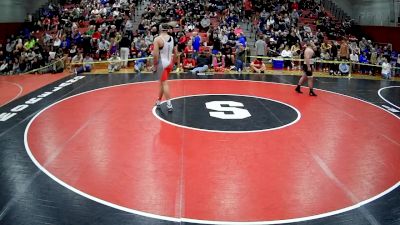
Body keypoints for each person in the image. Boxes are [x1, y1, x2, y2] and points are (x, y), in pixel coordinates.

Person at [153, 23, 178, 112]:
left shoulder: (157, 39)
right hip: (169, 63)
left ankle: (169, 104)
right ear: (167, 30)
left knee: (164, 83)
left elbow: (155, 55)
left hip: (162, 64)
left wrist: (155, 65)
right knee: (162, 83)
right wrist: (173, 63)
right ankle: (159, 100)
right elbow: (176, 53)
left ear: (160, 29)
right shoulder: (172, 38)